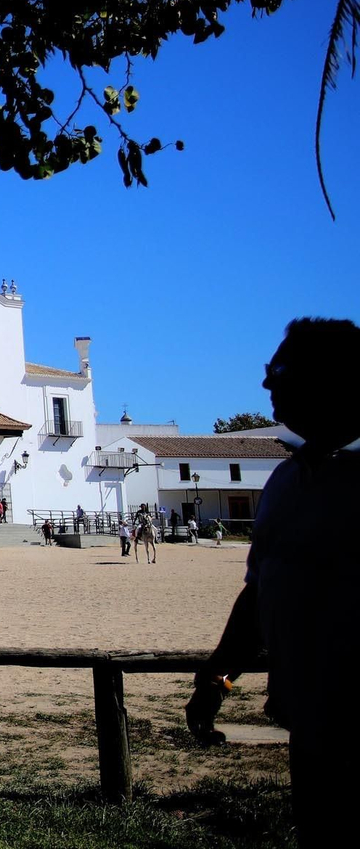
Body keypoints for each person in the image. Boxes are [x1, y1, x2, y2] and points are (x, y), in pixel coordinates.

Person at [184, 318, 360, 845]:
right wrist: (218, 674)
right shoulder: (286, 479)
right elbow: (260, 589)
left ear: (329, 378)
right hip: (308, 727)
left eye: (277, 371)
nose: (265, 382)